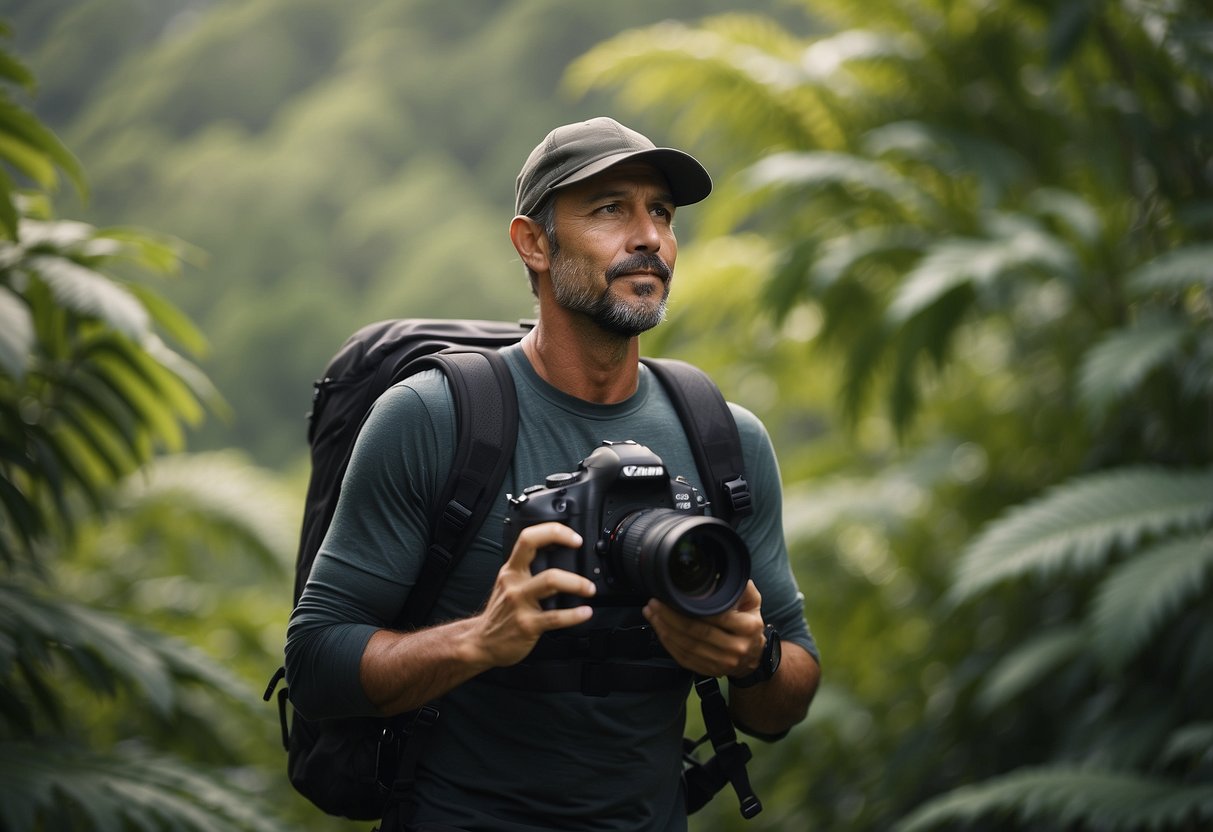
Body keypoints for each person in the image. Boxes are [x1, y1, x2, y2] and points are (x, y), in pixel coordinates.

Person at [286, 116, 821, 831]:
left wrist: (750, 658)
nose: (648, 237)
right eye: (609, 208)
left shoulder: (725, 438)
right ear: (533, 243)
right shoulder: (432, 419)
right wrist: (478, 640)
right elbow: (316, 662)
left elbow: (787, 695)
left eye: (659, 211)